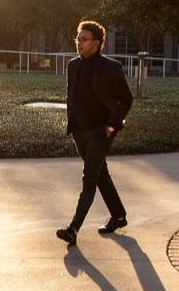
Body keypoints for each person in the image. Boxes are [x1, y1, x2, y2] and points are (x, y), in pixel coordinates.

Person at [56, 20, 133, 245]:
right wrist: (72, 124)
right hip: (80, 131)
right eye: (78, 38)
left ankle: (73, 229)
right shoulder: (72, 65)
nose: (79, 43)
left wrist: (111, 126)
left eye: (84, 39)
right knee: (100, 174)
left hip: (101, 132)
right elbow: (72, 96)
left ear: (97, 44)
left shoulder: (111, 67)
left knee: (89, 178)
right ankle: (118, 216)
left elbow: (126, 100)